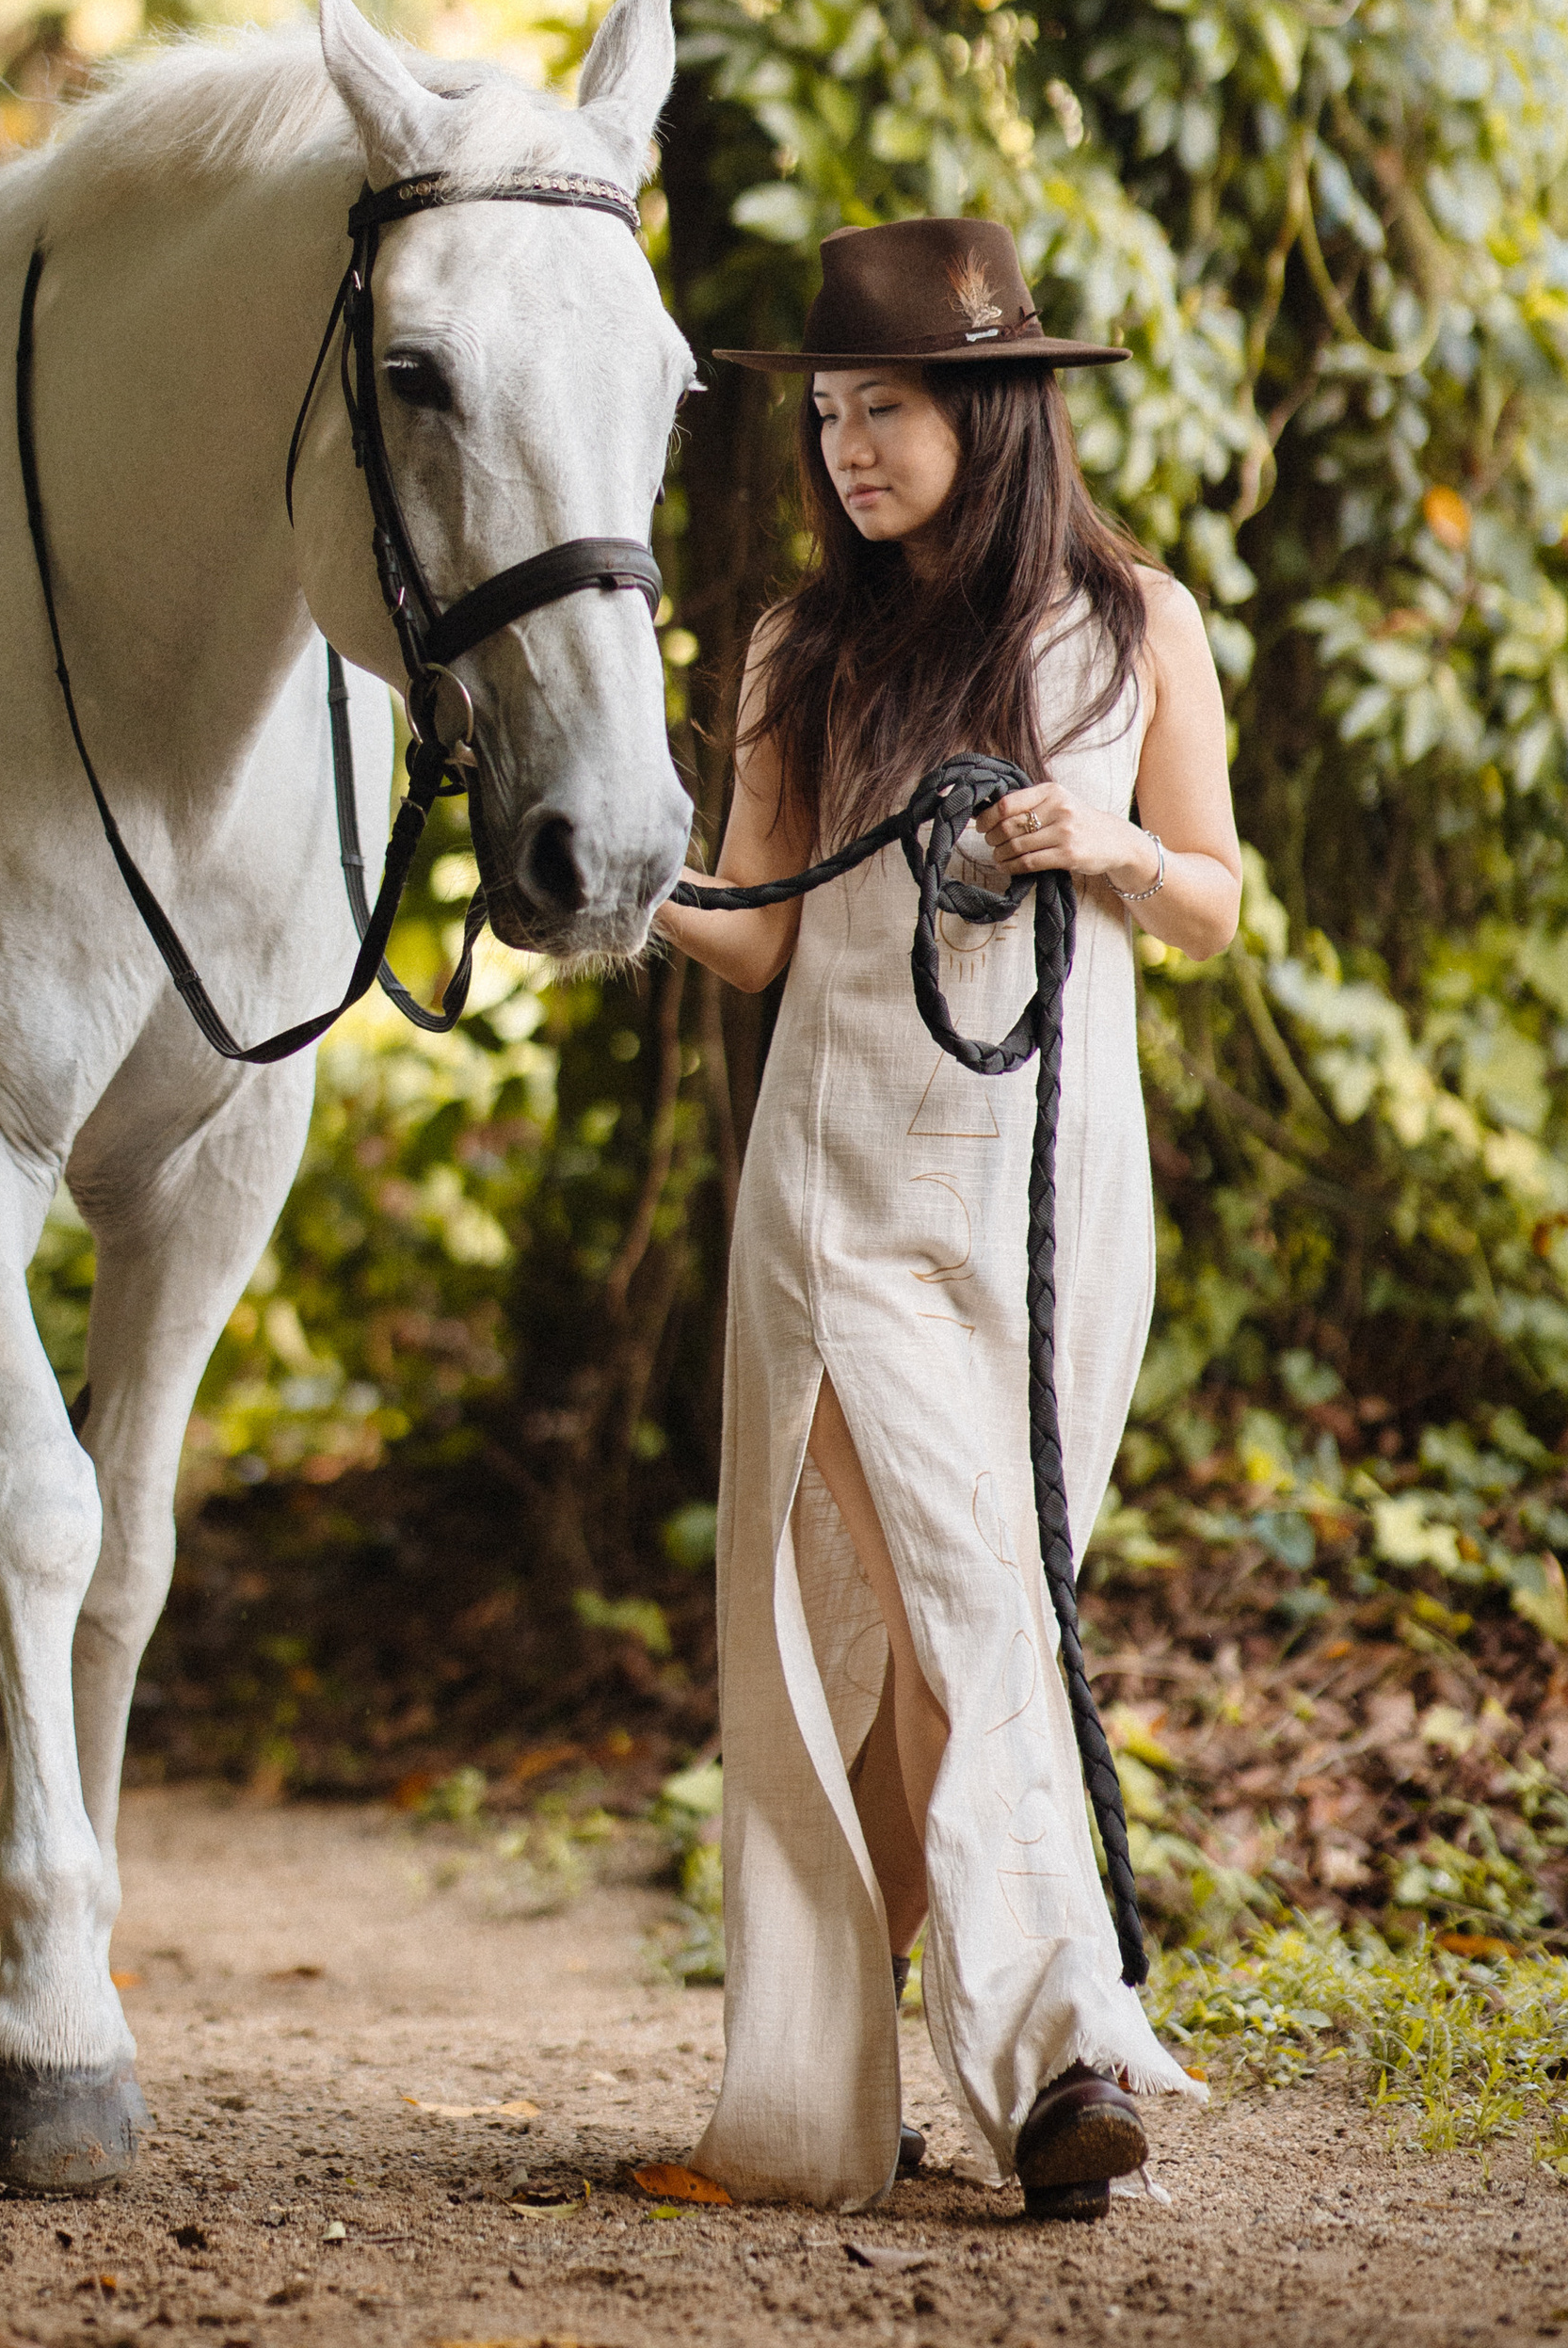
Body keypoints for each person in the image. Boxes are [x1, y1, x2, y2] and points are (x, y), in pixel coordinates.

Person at [652, 217, 1241, 2216]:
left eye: (880, 411)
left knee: (928, 1641)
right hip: (835, 1192)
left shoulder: (1133, 624)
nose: (844, 451)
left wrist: (1108, 846)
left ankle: (845, 2077)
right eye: (824, 416)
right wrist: (588, 877)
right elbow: (744, 938)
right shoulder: (795, 651)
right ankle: (1062, 2051)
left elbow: (1216, 899)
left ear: (988, 411)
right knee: (955, 1597)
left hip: (1049, 1192)